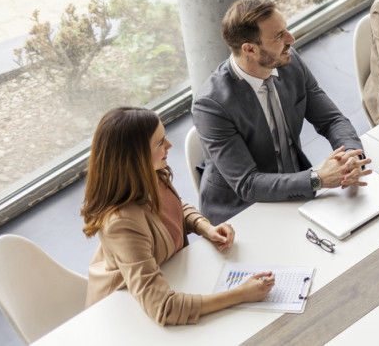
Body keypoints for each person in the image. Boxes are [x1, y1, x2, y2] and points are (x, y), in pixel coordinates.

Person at [82, 107, 274, 325]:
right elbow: (164, 308)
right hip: (124, 315)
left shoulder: (151, 175)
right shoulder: (122, 223)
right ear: (137, 157)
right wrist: (241, 294)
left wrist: (205, 226)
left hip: (168, 278)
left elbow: (175, 209)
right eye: (160, 142)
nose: (169, 145)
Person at [193, 0, 371, 225]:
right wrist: (318, 179)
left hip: (297, 188)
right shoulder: (211, 105)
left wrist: (353, 158)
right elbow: (248, 184)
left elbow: (332, 120)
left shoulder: (290, 62)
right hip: (244, 212)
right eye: (279, 36)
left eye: (285, 30)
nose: (291, 39)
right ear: (250, 49)